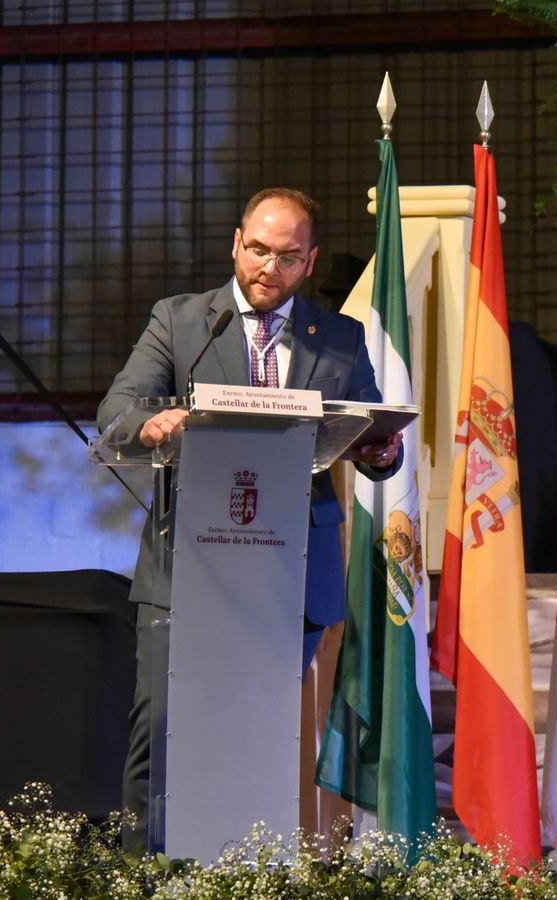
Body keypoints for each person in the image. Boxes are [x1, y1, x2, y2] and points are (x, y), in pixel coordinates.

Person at [96, 187, 403, 848]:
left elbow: (372, 435)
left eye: (288, 257)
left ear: (310, 261)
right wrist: (152, 422)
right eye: (258, 250)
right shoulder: (182, 322)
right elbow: (116, 412)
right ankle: (145, 875)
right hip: (189, 564)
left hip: (290, 569)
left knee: (261, 737)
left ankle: (245, 871)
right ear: (236, 244)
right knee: (163, 732)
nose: (269, 267)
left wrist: (383, 450)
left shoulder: (339, 339)